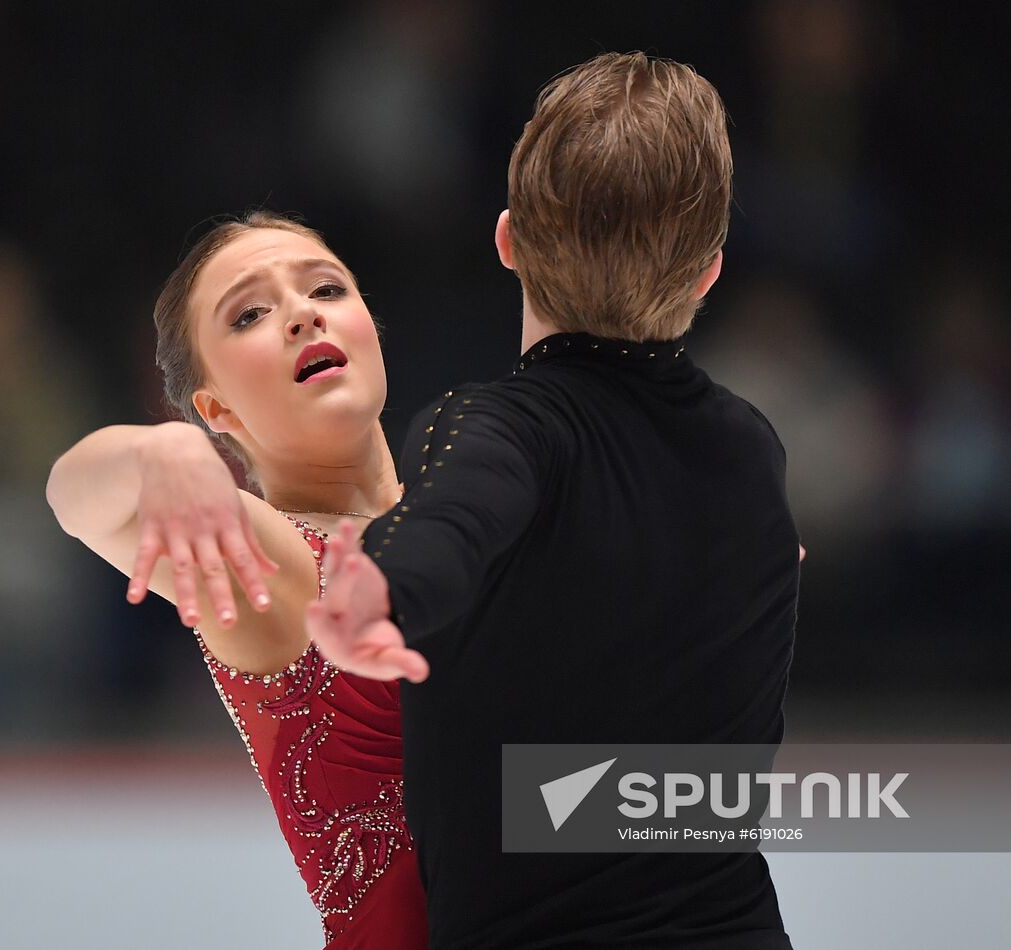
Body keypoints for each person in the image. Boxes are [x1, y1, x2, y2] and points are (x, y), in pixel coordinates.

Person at [306, 53, 799, 948]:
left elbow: (452, 519)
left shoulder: (491, 427)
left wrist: (378, 589)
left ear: (506, 240)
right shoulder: (752, 453)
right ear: (708, 273)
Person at [45, 211, 427, 948]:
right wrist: (159, 451)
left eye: (325, 287)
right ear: (216, 409)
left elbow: (586, 805)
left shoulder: (483, 512)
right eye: (250, 313)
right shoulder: (278, 565)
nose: (299, 313)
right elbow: (73, 498)